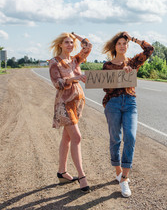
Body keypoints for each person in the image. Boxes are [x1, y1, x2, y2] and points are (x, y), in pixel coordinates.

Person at [102, 31, 153, 197]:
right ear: (114, 47)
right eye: (120, 43)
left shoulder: (133, 62)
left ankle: (124, 178)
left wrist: (133, 38)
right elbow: (106, 89)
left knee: (130, 137)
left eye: (125, 43)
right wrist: (120, 76)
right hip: (113, 104)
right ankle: (118, 171)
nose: (123, 46)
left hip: (130, 103)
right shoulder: (107, 65)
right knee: (115, 138)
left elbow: (149, 49)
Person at [49, 32, 92, 193]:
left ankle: (62, 172)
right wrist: (75, 78)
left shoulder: (75, 60)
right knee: (77, 137)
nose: (70, 45)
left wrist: (76, 36)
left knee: (67, 138)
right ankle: (82, 177)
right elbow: (57, 83)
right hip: (64, 105)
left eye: (71, 43)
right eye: (66, 42)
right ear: (60, 45)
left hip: (77, 103)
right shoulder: (55, 62)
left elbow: (88, 46)